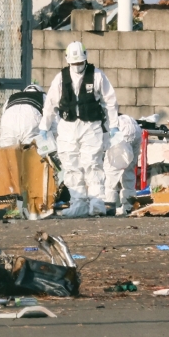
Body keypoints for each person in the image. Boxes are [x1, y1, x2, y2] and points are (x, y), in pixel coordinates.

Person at [40, 41, 119, 217]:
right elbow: (50, 103)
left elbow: (110, 101)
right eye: (74, 64)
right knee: (70, 164)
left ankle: (97, 203)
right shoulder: (60, 78)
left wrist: (113, 126)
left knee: (92, 163)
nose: (77, 66)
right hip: (67, 127)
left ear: (85, 59)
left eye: (80, 63)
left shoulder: (97, 75)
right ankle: (78, 203)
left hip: (91, 126)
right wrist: (44, 127)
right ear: (68, 61)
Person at [104, 114, 143, 216]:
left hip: (120, 130)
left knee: (110, 169)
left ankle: (109, 206)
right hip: (135, 128)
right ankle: (129, 207)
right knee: (128, 169)